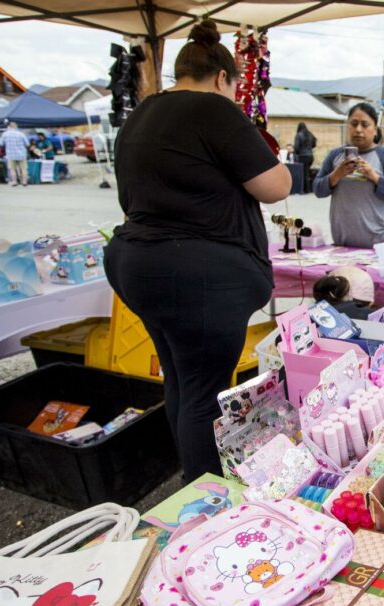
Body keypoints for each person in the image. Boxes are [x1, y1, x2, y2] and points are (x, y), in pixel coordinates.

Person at [104, 19, 291, 481]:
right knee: (205, 390)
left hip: (138, 262)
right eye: (233, 88)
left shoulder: (141, 114)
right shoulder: (213, 109)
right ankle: (206, 496)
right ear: (223, 78)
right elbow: (275, 186)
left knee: (183, 381)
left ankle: (191, 475)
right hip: (199, 275)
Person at [312, 103, 384, 249]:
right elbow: (317, 190)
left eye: (365, 125)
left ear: (375, 129)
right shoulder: (335, 155)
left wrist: (374, 176)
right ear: (347, 126)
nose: (358, 130)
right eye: (354, 124)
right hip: (342, 244)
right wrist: (336, 175)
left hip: (378, 245)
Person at [1, 121, 29, 186]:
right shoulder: (21, 134)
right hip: (22, 154)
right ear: (16, 127)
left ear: (9, 126)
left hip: (10, 154)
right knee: (23, 168)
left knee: (12, 169)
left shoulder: (5, 134)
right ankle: (24, 182)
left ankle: (14, 181)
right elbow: (27, 144)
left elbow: (2, 144)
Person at [293, 122, 317, 194]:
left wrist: (297, 153)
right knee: (307, 172)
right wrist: (309, 148)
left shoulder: (298, 135)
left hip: (302, 156)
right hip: (310, 156)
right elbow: (314, 144)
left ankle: (304, 190)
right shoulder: (310, 134)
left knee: (303, 173)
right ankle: (308, 189)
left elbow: (296, 147)